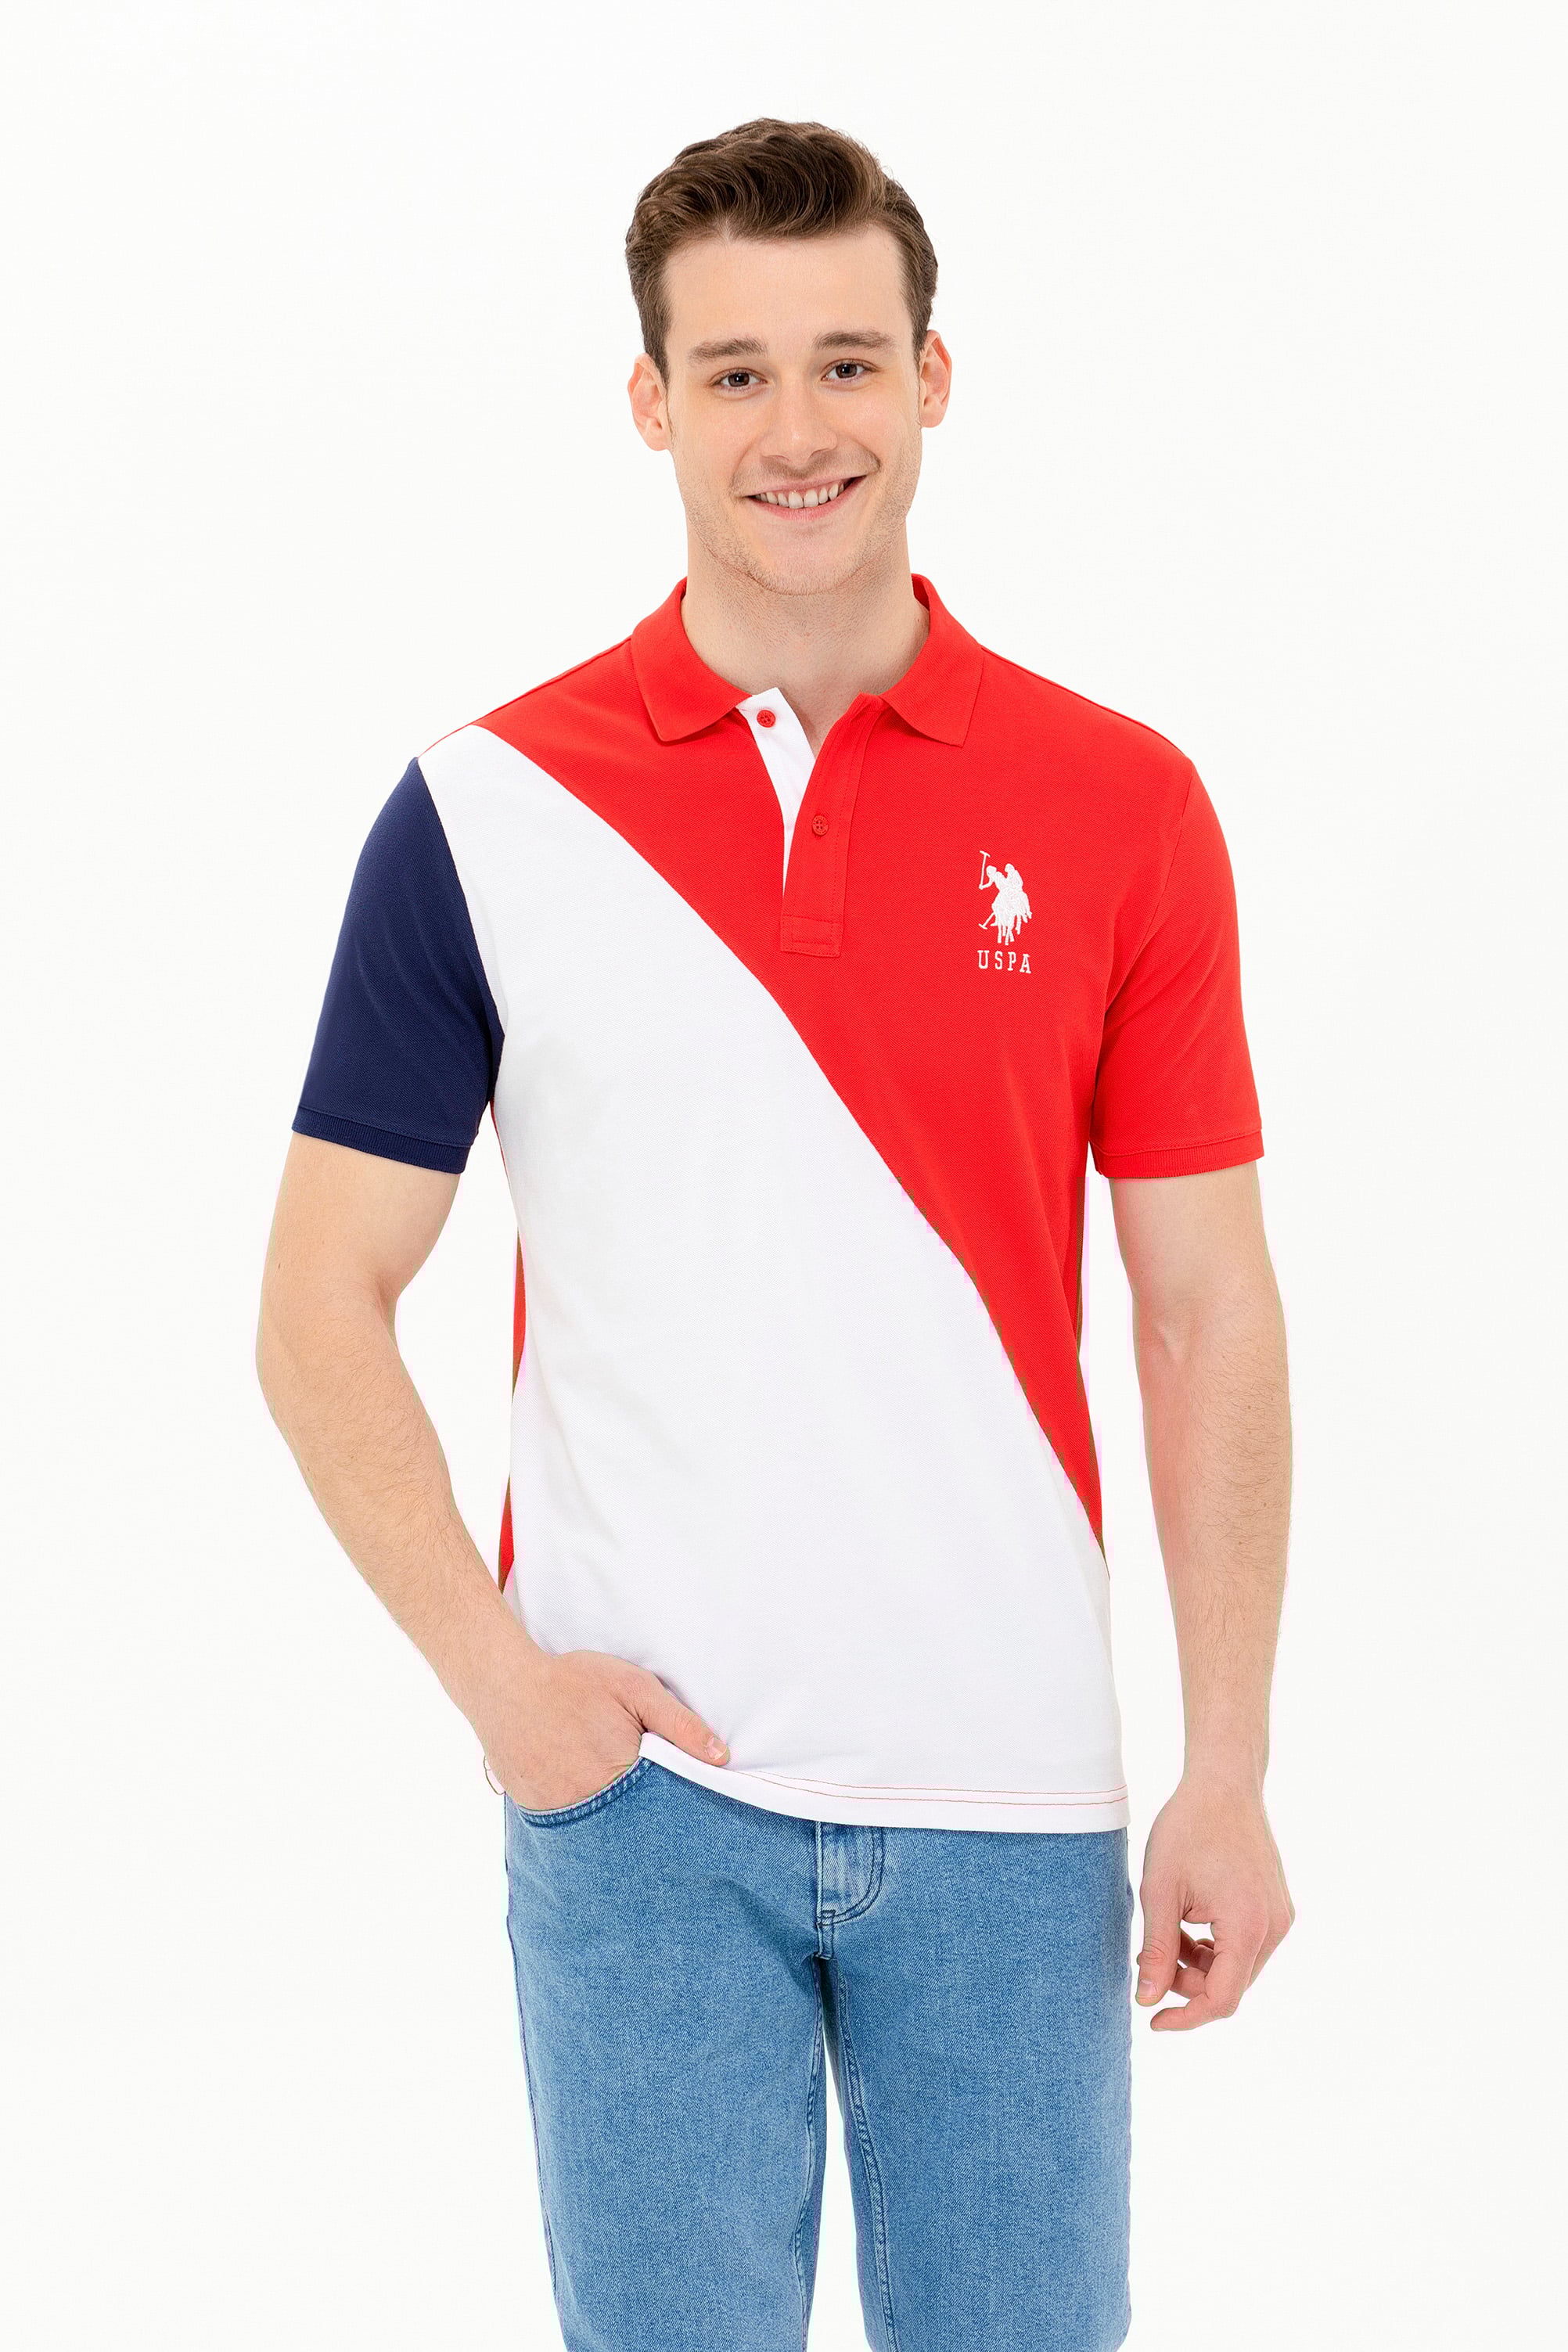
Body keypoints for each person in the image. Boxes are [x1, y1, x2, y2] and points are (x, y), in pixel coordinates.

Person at [257, 117, 1293, 2352]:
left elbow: (1206, 1310)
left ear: (935, 380)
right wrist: (507, 1693)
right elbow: (319, 1305)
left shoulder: (1120, 805)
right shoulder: (486, 810)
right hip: (642, 1807)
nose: (796, 427)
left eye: (847, 361)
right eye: (733, 372)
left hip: (1015, 1808)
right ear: (651, 402)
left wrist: (1224, 1763)